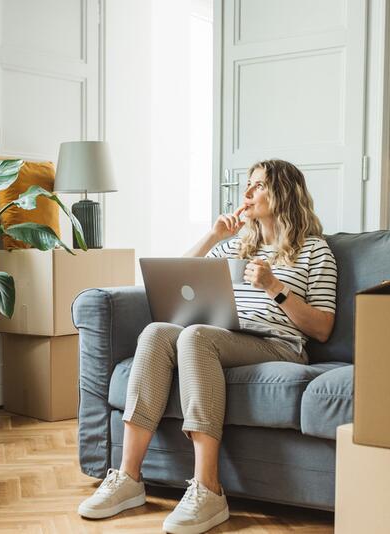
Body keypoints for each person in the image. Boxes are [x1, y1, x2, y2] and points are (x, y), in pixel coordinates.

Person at [78, 159, 338, 533]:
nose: (247, 194)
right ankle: (129, 478)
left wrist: (274, 287)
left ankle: (208, 489)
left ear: (284, 193)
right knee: (156, 332)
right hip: (225, 335)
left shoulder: (315, 250)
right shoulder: (238, 246)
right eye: (248, 185)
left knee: (195, 336)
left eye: (259, 186)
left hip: (279, 343)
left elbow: (323, 328)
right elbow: (175, 274)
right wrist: (214, 236)